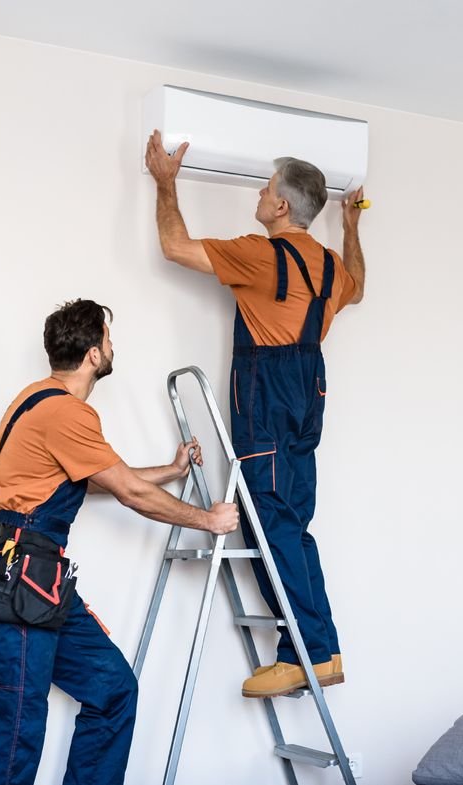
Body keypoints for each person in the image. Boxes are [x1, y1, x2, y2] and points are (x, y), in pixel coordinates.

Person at [0, 298, 238, 785]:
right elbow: (128, 492)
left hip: (34, 579)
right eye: (109, 338)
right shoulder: (67, 413)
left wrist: (169, 471)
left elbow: (89, 479)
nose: (113, 347)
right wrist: (210, 519)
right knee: (12, 731)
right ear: (94, 354)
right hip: (21, 579)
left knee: (111, 689)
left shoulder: (33, 401)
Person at [144, 130, 367, 699]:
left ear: (283, 205)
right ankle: (321, 649)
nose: (262, 195)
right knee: (294, 525)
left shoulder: (260, 253)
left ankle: (309, 653)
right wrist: (351, 229)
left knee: (270, 526)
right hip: (309, 393)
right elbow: (359, 288)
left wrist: (165, 184)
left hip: (266, 400)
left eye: (267, 189)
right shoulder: (332, 269)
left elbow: (175, 245)